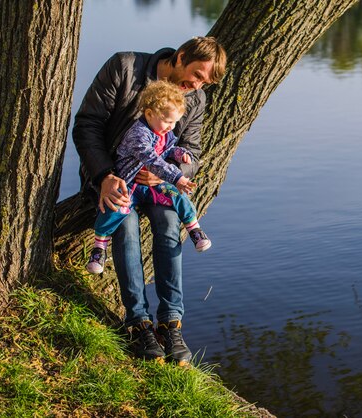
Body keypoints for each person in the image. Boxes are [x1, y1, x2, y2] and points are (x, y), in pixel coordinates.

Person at [73, 37, 227, 365]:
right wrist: (103, 175)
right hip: (112, 179)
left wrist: (167, 173)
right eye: (196, 75)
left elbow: (192, 152)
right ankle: (138, 322)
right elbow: (87, 126)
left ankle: (171, 322)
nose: (197, 86)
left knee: (170, 224)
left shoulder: (195, 99)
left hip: (156, 184)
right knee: (126, 228)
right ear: (180, 56)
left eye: (204, 82)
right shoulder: (124, 67)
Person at [85, 80, 212, 277]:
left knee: (177, 196)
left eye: (175, 122)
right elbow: (151, 159)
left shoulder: (163, 132)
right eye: (168, 121)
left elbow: (167, 149)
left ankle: (194, 229)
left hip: (152, 186)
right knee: (115, 206)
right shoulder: (138, 134)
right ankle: (99, 247)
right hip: (129, 183)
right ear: (149, 113)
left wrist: (179, 154)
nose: (171, 127)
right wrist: (177, 176)